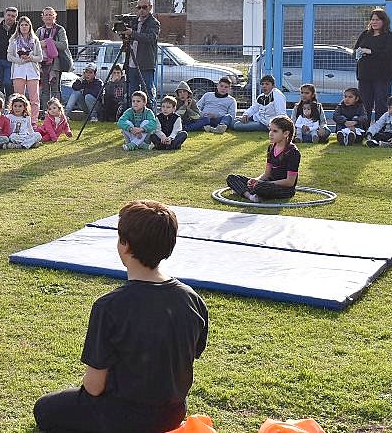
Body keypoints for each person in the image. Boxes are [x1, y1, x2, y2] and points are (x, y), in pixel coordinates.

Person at [33, 200, 208, 433]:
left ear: (124, 244)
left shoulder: (110, 306)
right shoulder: (192, 299)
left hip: (121, 418)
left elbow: (94, 387)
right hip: (172, 413)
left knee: (44, 408)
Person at [227, 116, 300, 202]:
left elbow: (290, 182)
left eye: (275, 131)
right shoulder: (271, 147)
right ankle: (251, 196)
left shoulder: (292, 152)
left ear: (286, 133)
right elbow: (267, 174)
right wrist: (257, 180)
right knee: (232, 178)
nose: (271, 134)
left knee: (260, 187)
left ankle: (251, 192)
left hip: (284, 188)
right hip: (268, 182)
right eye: (270, 130)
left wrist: (264, 183)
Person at [353, 7, 392, 118]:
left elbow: (389, 54)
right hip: (364, 77)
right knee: (364, 105)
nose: (374, 22)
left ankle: (379, 132)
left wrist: (370, 51)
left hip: (382, 78)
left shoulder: (389, 37)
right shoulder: (365, 34)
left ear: (384, 21)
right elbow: (355, 52)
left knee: (381, 105)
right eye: (372, 19)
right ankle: (363, 131)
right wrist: (358, 53)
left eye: (377, 20)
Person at [118, 0, 159, 109]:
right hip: (131, 64)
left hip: (145, 64)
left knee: (148, 92)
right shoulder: (134, 21)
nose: (141, 10)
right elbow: (129, 38)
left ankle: (151, 118)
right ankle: (133, 118)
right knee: (133, 93)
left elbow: (150, 38)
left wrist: (132, 33)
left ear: (150, 7)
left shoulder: (154, 23)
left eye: (144, 7)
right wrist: (124, 34)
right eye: (139, 7)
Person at [36, 7, 73, 117]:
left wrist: (49, 42)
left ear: (54, 16)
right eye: (46, 15)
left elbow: (63, 45)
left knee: (55, 88)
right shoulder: (39, 30)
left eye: (50, 14)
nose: (48, 17)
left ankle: (57, 113)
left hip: (56, 64)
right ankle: (46, 113)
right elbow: (35, 45)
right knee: (44, 90)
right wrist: (41, 44)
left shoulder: (60, 29)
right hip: (42, 64)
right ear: (42, 17)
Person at [8, 16, 45, 119]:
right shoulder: (14, 40)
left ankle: (33, 121)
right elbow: (9, 56)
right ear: (18, 26)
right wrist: (20, 60)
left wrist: (31, 58)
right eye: (22, 25)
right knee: (18, 99)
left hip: (32, 72)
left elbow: (40, 57)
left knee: (34, 99)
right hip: (18, 72)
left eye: (26, 25)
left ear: (30, 26)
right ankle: (18, 120)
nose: (24, 27)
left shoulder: (35, 40)